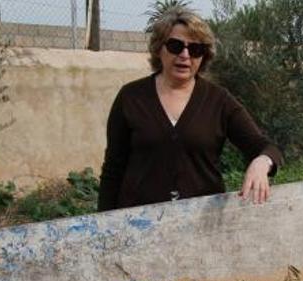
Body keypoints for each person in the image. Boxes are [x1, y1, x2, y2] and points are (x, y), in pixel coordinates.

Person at [97, 7, 283, 211]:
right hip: (139, 225)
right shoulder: (131, 97)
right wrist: (103, 226)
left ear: (204, 56)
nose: (185, 55)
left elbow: (266, 147)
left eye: (195, 50)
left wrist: (261, 162)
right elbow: (113, 170)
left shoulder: (219, 101)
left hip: (201, 226)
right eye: (176, 46)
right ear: (160, 48)